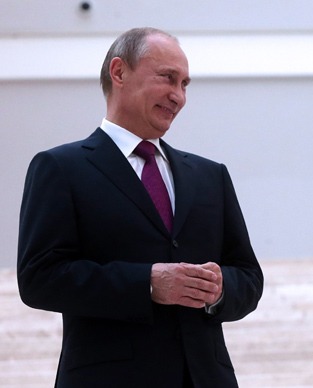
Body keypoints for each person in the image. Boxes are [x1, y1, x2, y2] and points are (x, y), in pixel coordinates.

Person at [17, 27, 263, 388]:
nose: (178, 96)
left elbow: (249, 276)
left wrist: (220, 288)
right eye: (168, 78)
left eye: (185, 84)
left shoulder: (210, 176)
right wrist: (146, 283)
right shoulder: (60, 168)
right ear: (119, 72)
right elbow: (39, 279)